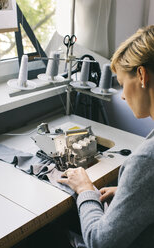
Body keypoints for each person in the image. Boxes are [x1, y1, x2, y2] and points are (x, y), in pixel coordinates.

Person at [58, 25, 154, 248]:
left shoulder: (146, 160)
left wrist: (85, 190)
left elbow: (100, 243)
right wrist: (129, 192)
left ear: (141, 75)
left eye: (122, 85)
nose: (122, 97)